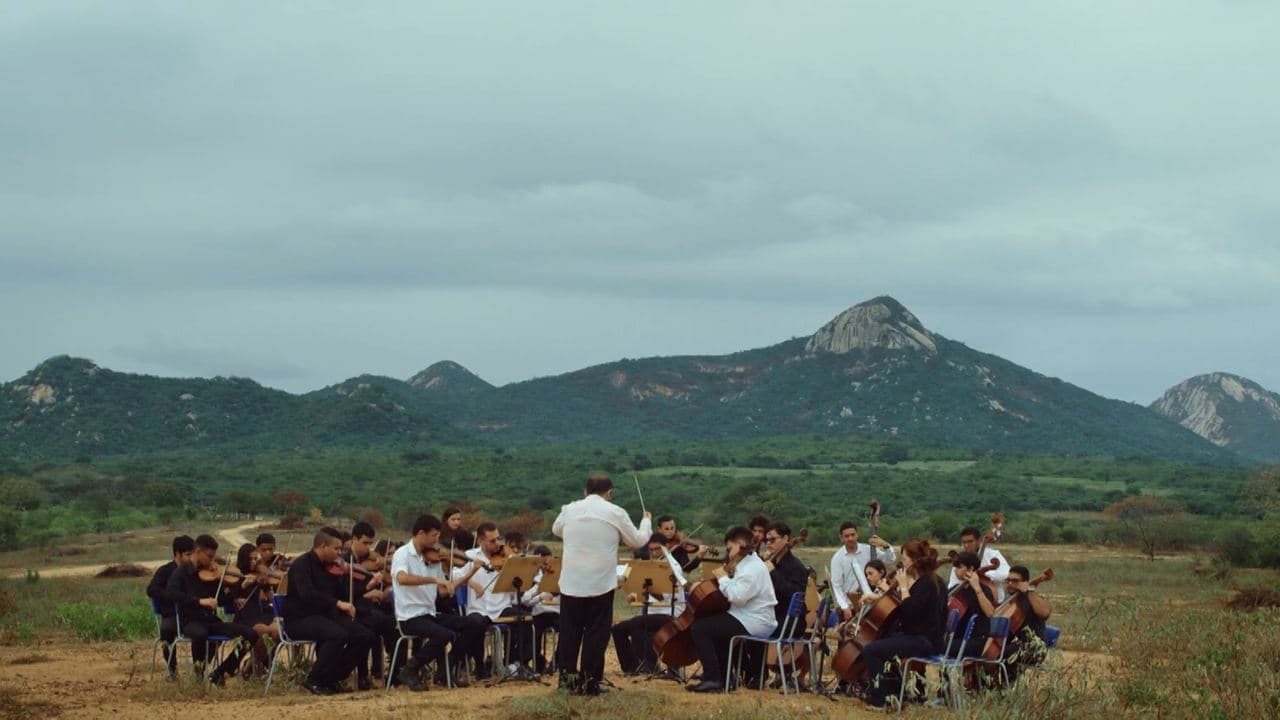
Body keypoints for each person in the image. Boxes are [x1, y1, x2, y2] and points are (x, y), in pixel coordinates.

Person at [552, 473, 651, 696]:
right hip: (600, 584)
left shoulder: (569, 509)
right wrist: (646, 522)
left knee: (570, 634)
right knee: (596, 635)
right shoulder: (615, 511)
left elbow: (556, 530)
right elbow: (637, 541)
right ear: (609, 493)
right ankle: (589, 682)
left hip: (571, 583)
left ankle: (566, 681)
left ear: (585, 491)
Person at [390, 514, 485, 691]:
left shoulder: (433, 559)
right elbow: (402, 578)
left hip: (430, 613)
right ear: (421, 533)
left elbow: (444, 590)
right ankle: (410, 669)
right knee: (444, 634)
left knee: (476, 622)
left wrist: (470, 573)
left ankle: (446, 667)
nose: (437, 540)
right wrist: (433, 580)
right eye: (434, 535)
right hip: (410, 617)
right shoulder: (402, 554)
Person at [283, 530, 378, 694]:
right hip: (301, 619)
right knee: (337, 634)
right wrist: (337, 603)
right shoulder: (301, 565)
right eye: (337, 549)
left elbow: (342, 595)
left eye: (341, 549)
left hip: (325, 616)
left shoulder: (332, 567)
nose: (340, 553)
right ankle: (314, 680)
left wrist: (366, 587)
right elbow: (307, 595)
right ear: (322, 546)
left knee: (365, 636)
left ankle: (333, 677)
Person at [685, 525, 777, 693]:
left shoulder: (753, 568)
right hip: (745, 616)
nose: (728, 553)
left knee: (700, 628)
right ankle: (725, 679)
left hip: (755, 620)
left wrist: (723, 578)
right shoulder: (746, 563)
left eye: (730, 548)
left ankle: (714, 678)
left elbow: (738, 597)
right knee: (713, 627)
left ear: (741, 544)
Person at [858, 539, 946, 708]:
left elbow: (910, 614)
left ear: (914, 560)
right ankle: (894, 693)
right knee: (883, 641)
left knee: (871, 650)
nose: (903, 563)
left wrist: (904, 587)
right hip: (924, 637)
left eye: (905, 559)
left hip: (925, 641)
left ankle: (881, 700)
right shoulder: (931, 581)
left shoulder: (927, 584)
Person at [164, 534, 259, 686]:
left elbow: (221, 600)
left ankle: (221, 672)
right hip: (189, 620)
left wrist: (239, 587)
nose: (212, 561)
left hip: (210, 620)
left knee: (251, 635)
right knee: (200, 634)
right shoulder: (182, 572)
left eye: (214, 557)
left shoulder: (213, 574)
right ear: (198, 551)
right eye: (209, 556)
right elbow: (171, 593)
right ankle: (199, 677)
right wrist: (199, 601)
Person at [611, 534, 686, 675]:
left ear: (667, 547)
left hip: (671, 614)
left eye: (658, 549)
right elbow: (649, 595)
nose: (654, 553)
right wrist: (637, 595)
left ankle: (647, 666)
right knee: (618, 629)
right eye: (651, 550)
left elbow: (666, 597)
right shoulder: (651, 566)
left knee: (638, 623)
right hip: (654, 615)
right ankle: (631, 667)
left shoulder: (673, 566)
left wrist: (644, 593)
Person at [462, 522, 526, 677]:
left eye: (498, 539)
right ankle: (479, 666)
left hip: (501, 606)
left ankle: (511, 663)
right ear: (480, 541)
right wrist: (471, 581)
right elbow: (453, 574)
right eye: (492, 541)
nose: (497, 544)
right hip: (479, 608)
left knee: (525, 620)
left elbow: (519, 585)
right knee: (476, 624)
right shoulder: (470, 556)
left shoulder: (508, 557)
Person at [348, 522, 399, 688]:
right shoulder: (344, 560)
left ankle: (395, 671)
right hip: (352, 609)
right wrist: (367, 592)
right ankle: (363, 676)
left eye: (371, 544)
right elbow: (344, 590)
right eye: (365, 543)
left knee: (394, 624)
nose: (368, 549)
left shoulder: (366, 559)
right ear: (354, 539)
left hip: (365, 608)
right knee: (367, 631)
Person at [146, 535, 194, 679]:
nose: (191, 558)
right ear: (177, 554)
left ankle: (200, 669)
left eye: (193, 554)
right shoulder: (165, 571)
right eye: (188, 554)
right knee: (166, 630)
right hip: (172, 615)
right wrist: (172, 596)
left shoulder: (194, 570)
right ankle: (172, 670)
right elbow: (151, 589)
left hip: (191, 615)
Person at [830, 521, 896, 621]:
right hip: (851, 605)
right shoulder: (837, 558)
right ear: (841, 538)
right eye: (846, 536)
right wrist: (845, 607)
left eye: (853, 535)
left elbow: (890, 559)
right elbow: (837, 586)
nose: (850, 538)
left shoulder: (868, 549)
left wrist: (885, 545)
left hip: (872, 602)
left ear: (857, 534)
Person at [1001, 565, 1052, 681]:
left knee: (1001, 654)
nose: (1010, 583)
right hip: (1014, 645)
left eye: (1015, 581)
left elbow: (1045, 613)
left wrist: (1029, 590)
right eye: (1008, 580)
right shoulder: (1010, 600)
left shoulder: (1032, 597)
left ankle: (1005, 689)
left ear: (1025, 583)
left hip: (1033, 647)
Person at [949, 551, 996, 659]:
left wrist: (977, 589)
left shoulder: (984, 589)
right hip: (957, 638)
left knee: (939, 647)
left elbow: (990, 613)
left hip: (976, 640)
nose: (955, 570)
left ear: (970, 568)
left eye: (959, 567)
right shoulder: (955, 590)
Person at [522, 544, 561, 674]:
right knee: (533, 631)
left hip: (556, 613)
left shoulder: (558, 576)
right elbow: (525, 600)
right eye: (543, 564)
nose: (547, 567)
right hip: (539, 613)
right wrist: (540, 596)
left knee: (570, 629)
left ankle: (557, 662)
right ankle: (538, 662)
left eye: (549, 563)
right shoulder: (532, 578)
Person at [948, 527, 1009, 602]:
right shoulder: (960, 560)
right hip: (968, 605)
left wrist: (984, 574)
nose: (966, 545)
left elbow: (1007, 574)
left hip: (994, 603)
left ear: (979, 541)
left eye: (970, 541)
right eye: (964, 542)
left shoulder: (993, 554)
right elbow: (952, 586)